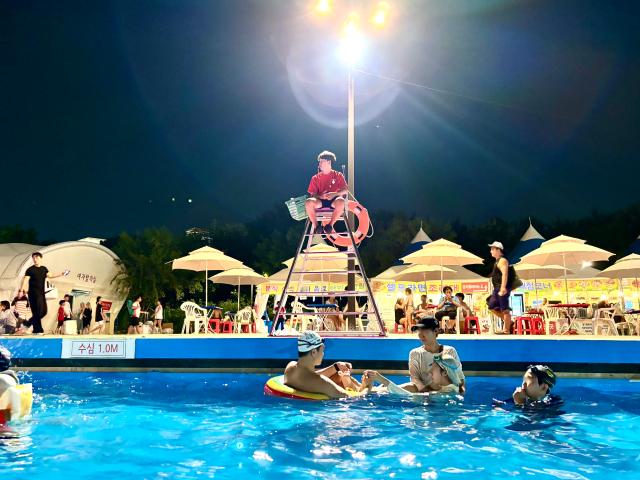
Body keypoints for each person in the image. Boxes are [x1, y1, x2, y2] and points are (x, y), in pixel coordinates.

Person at [283, 331, 372, 399]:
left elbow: (310, 376)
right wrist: (368, 387)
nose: (323, 354)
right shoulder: (323, 383)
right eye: (322, 350)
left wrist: (335, 367)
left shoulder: (290, 368)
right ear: (314, 352)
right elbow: (351, 397)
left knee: (336, 375)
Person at [403, 316, 465, 394]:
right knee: (408, 387)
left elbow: (460, 378)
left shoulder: (450, 351)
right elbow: (415, 378)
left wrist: (460, 395)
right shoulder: (415, 353)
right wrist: (427, 396)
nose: (420, 334)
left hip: (446, 392)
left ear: (436, 331)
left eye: (425, 330)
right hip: (424, 392)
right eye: (419, 331)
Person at [20, 252, 69, 334]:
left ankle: (28, 323)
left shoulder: (44, 269)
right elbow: (25, 280)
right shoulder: (30, 269)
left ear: (40, 258)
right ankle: (38, 330)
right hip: (33, 294)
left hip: (41, 294)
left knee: (43, 312)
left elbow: (51, 275)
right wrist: (21, 290)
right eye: (34, 258)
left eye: (37, 258)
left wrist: (62, 273)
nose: (35, 259)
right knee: (37, 312)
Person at [304, 150, 349, 235]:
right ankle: (317, 226)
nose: (319, 164)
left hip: (334, 201)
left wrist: (334, 194)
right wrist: (321, 196)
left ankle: (330, 225)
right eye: (319, 162)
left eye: (321, 161)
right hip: (320, 201)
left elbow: (346, 190)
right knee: (308, 202)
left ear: (328, 162)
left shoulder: (338, 175)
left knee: (341, 201)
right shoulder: (315, 178)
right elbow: (312, 194)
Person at [487, 241, 513, 334]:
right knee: (491, 307)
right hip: (497, 288)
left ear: (498, 250)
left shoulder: (502, 260)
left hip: (502, 287)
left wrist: (503, 288)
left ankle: (506, 330)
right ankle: (509, 322)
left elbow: (505, 274)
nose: (491, 251)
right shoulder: (497, 261)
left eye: (492, 249)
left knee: (504, 309)